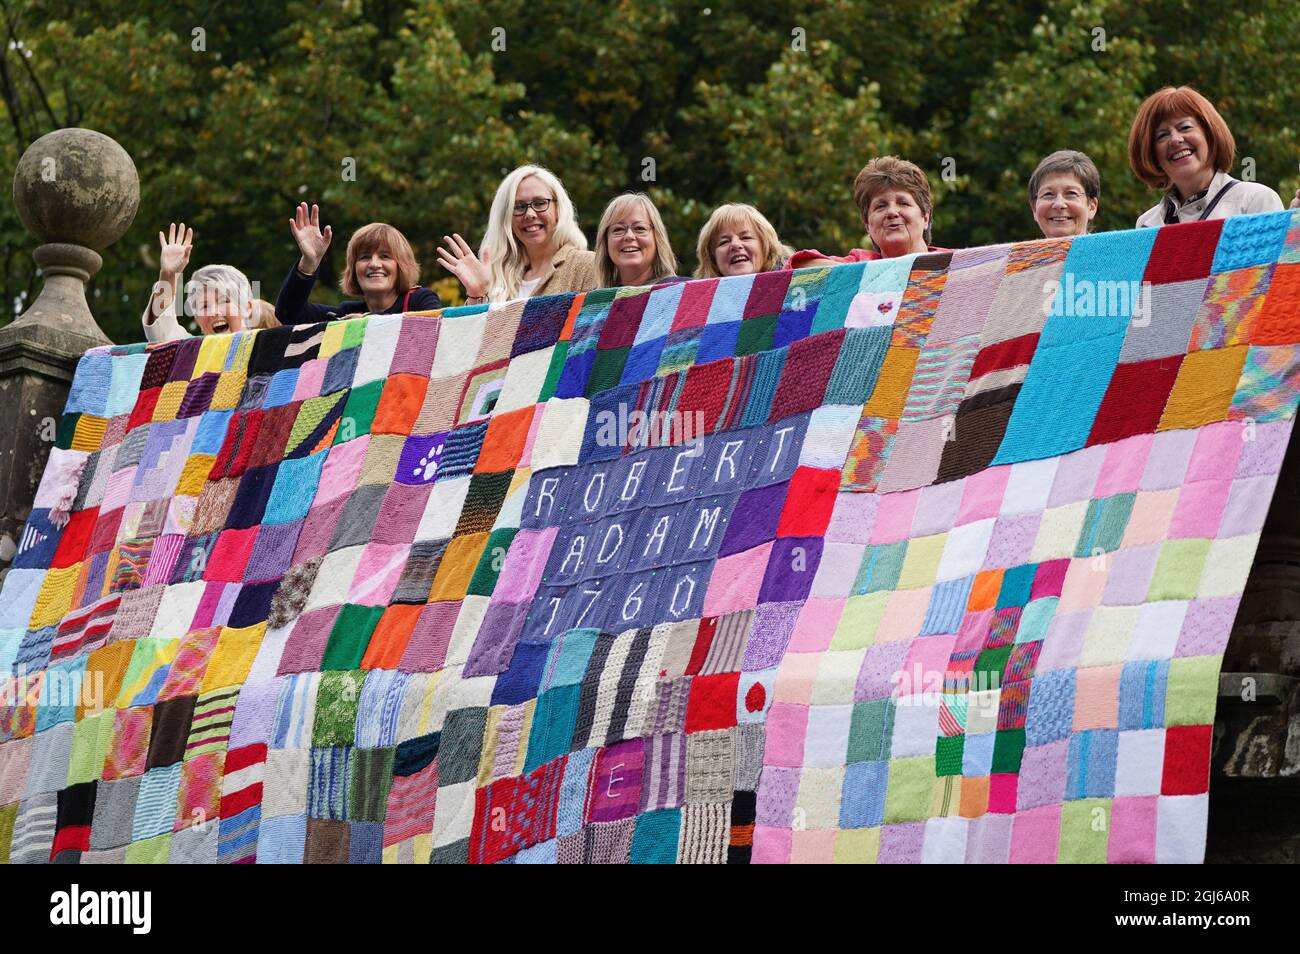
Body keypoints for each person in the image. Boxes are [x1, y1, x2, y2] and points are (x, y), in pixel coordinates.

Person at [438, 165, 596, 304]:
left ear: (558, 209)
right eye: (519, 206)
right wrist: (478, 294)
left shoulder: (589, 266)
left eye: (540, 203)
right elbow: (475, 337)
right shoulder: (497, 277)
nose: (530, 214)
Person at [1129, 87, 1283, 228]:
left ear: (1210, 134)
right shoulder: (1146, 224)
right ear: (1152, 154)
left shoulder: (1254, 201)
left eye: (1185, 127)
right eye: (1162, 135)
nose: (1175, 139)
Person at [275, 203, 441, 325]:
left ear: (401, 266)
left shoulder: (420, 301)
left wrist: (366, 323)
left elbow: (431, 333)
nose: (374, 264)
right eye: (364, 257)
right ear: (353, 270)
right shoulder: (346, 314)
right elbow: (288, 314)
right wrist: (309, 262)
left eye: (385, 256)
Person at [787, 156, 946, 268]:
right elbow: (797, 265)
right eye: (880, 206)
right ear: (867, 224)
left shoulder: (958, 264)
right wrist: (866, 275)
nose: (892, 212)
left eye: (903, 203)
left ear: (926, 217)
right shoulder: (859, 263)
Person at [141, 222, 259, 343]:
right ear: (197, 318)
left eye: (224, 301)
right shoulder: (192, 352)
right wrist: (168, 275)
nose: (214, 312)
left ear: (248, 307)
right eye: (204, 306)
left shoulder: (269, 347)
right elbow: (162, 333)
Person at [593, 192, 686, 288]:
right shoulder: (593, 301)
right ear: (605, 241)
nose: (629, 236)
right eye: (618, 229)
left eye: (639, 228)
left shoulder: (686, 291)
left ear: (657, 238)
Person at [694, 203, 792, 279]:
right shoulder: (695, 302)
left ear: (766, 247)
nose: (735, 245)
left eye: (746, 237)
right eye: (724, 242)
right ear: (713, 259)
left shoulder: (797, 285)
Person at [1028, 150, 1101, 238]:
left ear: (1092, 207)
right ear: (1034, 209)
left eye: (1071, 193)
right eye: (1048, 194)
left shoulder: (1114, 251)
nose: (1059, 204)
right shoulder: (1015, 252)